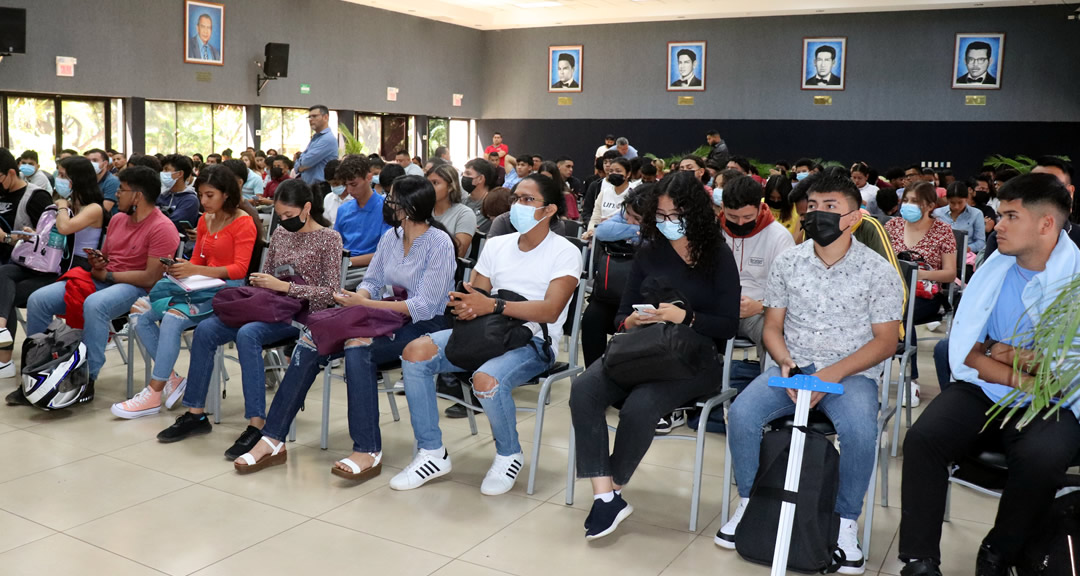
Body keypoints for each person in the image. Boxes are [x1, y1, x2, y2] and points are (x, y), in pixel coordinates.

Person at [718, 173, 903, 575]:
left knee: (859, 430)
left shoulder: (878, 271)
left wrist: (829, 376)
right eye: (814, 206)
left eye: (830, 206)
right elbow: (771, 327)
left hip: (850, 373)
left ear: (855, 217)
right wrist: (784, 361)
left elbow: (886, 342)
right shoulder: (789, 262)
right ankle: (750, 503)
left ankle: (844, 522)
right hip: (794, 366)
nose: (818, 214)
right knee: (744, 415)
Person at [897, 173, 1079, 576]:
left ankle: (1000, 551)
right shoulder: (995, 269)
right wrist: (1021, 367)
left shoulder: (1076, 280)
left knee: (1042, 457)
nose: (1000, 226)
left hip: (1054, 402)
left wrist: (1002, 351)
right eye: (1000, 215)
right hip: (984, 390)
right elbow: (968, 352)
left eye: (1012, 216)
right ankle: (919, 559)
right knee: (924, 439)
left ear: (1046, 224)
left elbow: (1063, 372)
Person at [226, 175, 457, 476]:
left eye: (391, 199)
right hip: (386, 314)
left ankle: (367, 449)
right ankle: (272, 437)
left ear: (410, 206)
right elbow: (372, 282)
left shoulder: (439, 243)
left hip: (424, 324)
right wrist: (356, 298)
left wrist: (365, 306)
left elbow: (424, 306)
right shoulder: (392, 236)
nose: (386, 203)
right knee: (313, 338)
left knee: (357, 346)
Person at [570, 171, 739, 539]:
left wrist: (687, 317)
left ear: (695, 213)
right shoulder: (649, 251)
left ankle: (611, 487)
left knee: (640, 406)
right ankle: (605, 498)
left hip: (695, 357)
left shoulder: (718, 255)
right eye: (660, 217)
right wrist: (631, 319)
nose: (667, 224)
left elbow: (728, 325)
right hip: (642, 347)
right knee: (584, 391)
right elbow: (619, 317)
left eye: (675, 216)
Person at [391, 173, 581, 495]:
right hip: (487, 332)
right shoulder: (497, 244)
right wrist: (465, 305)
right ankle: (432, 453)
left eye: (527, 199)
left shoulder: (564, 252)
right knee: (415, 352)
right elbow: (475, 293)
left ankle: (509, 454)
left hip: (535, 340)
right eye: (515, 197)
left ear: (548, 210)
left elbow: (550, 311)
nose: (516, 205)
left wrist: (492, 305)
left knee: (486, 379)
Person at [156, 179, 342, 457]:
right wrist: (264, 283)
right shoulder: (280, 233)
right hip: (269, 306)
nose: (283, 221)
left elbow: (331, 293)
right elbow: (264, 276)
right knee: (206, 329)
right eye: (280, 215)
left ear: (307, 207)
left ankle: (257, 424)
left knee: (248, 334)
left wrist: (286, 287)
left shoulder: (329, 238)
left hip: (301, 315)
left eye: (289, 215)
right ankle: (195, 413)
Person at [111, 165, 256, 419]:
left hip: (226, 291)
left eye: (210, 195)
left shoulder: (243, 222)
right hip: (198, 284)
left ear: (226, 194)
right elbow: (198, 257)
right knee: (138, 313)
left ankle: (154, 392)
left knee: (172, 317)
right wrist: (182, 268)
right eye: (201, 195)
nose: (204, 201)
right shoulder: (204, 220)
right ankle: (172, 379)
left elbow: (239, 270)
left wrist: (195, 268)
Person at [25, 166, 179, 403]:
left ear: (137, 196)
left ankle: (86, 378)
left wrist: (107, 275)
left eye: (122, 189)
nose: (117, 194)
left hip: (136, 287)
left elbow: (150, 277)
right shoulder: (118, 219)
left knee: (95, 304)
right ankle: (39, 369)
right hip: (103, 278)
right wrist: (98, 263)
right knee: (39, 299)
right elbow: (106, 257)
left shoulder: (163, 227)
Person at [0, 155, 104, 391]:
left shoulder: (93, 208)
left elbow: (66, 228)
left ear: (77, 178)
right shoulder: (68, 205)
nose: (60, 180)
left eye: (64, 175)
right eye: (59, 174)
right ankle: (7, 336)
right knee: (4, 274)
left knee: (19, 296)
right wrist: (33, 234)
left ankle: (34, 365)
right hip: (54, 264)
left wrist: (63, 207)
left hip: (77, 270)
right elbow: (53, 237)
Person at [884, 182, 957, 406]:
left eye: (915, 202)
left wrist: (920, 274)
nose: (908, 206)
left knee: (903, 314)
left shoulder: (942, 230)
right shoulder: (892, 226)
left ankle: (910, 379)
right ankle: (876, 365)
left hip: (926, 295)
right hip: (891, 293)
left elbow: (950, 273)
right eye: (906, 200)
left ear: (930, 205)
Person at [580, 184, 652, 368]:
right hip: (611, 290)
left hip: (645, 297)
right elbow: (602, 231)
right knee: (590, 320)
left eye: (636, 218)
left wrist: (624, 234)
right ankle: (593, 374)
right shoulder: (629, 210)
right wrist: (638, 232)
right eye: (626, 214)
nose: (628, 219)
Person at [721, 175, 795, 346]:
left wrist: (761, 306)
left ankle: (772, 374)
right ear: (722, 207)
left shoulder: (779, 237)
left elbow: (790, 290)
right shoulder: (712, 232)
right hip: (714, 311)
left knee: (773, 335)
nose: (740, 223)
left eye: (747, 218)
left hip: (757, 313)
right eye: (732, 217)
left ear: (761, 207)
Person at [334, 155, 390, 288]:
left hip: (372, 270)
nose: (349, 190)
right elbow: (335, 246)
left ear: (369, 178)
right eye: (346, 185)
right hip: (343, 268)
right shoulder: (343, 210)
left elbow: (386, 254)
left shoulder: (386, 208)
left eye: (354, 184)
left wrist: (348, 262)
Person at [0, 149, 53, 264]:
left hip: (19, 261)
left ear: (11, 173)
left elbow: (46, 240)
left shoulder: (36, 197)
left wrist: (5, 237)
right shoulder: (3, 192)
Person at [427, 163, 476, 258]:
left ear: (450, 187)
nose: (429, 188)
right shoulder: (424, 210)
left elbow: (459, 253)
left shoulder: (464, 214)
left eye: (435, 183)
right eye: (428, 183)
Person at [584, 157, 632, 239]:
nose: (614, 173)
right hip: (600, 236)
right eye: (611, 171)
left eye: (618, 171)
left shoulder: (634, 193)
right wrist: (591, 230)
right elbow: (595, 217)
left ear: (628, 174)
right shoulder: (604, 193)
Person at [933, 182, 986, 254]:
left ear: (967, 198)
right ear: (947, 200)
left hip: (967, 256)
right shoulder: (937, 213)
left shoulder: (976, 214)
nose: (956, 206)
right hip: (942, 254)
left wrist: (968, 248)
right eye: (952, 202)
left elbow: (981, 242)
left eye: (960, 202)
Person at [295, 105, 338, 185]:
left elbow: (305, 162)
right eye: (309, 117)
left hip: (321, 186)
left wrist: (300, 161)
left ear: (325, 117)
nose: (311, 120)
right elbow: (299, 164)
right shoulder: (316, 138)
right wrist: (300, 163)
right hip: (310, 186)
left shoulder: (328, 139)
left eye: (314, 116)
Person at [157, 154, 200, 232]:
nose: (162, 173)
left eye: (166, 170)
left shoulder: (190, 200)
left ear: (180, 174)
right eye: (162, 170)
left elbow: (170, 224)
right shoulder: (163, 195)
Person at [461, 157, 497, 231]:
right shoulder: (463, 202)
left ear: (480, 179)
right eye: (463, 173)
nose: (464, 177)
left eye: (468, 173)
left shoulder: (492, 206)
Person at [764, 174, 800, 240]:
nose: (776, 201)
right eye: (772, 197)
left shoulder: (797, 208)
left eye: (780, 198)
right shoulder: (761, 205)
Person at [85, 149, 119, 213]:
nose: (91, 163)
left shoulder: (112, 181)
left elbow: (104, 210)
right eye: (88, 161)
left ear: (105, 163)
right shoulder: (89, 180)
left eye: (95, 160)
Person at [320, 159, 346, 225]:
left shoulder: (356, 198)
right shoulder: (328, 198)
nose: (334, 187)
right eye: (331, 184)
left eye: (336, 183)